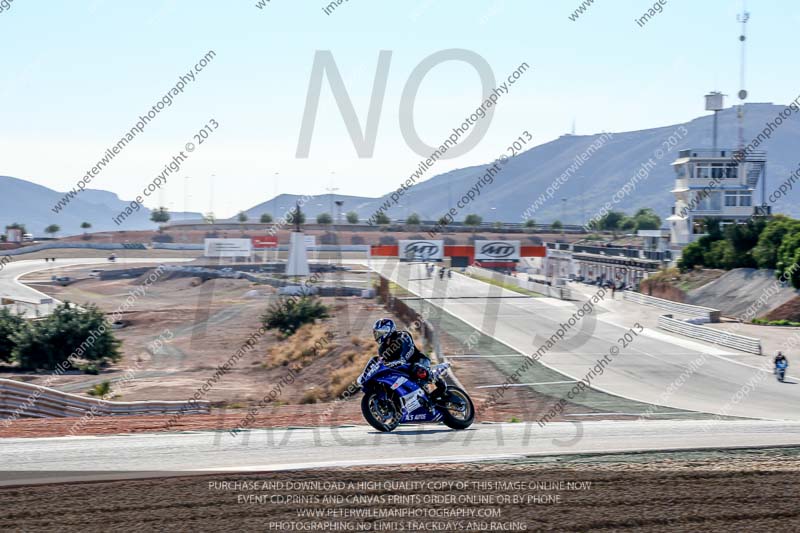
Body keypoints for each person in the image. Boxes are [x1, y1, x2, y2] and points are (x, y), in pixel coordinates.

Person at [372, 318, 442, 404]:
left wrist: (401, 360)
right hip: (402, 369)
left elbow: (409, 350)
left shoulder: (402, 336)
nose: (377, 335)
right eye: (376, 333)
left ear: (388, 330)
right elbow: (384, 362)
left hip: (418, 361)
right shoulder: (382, 349)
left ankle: (438, 382)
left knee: (417, 370)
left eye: (380, 333)